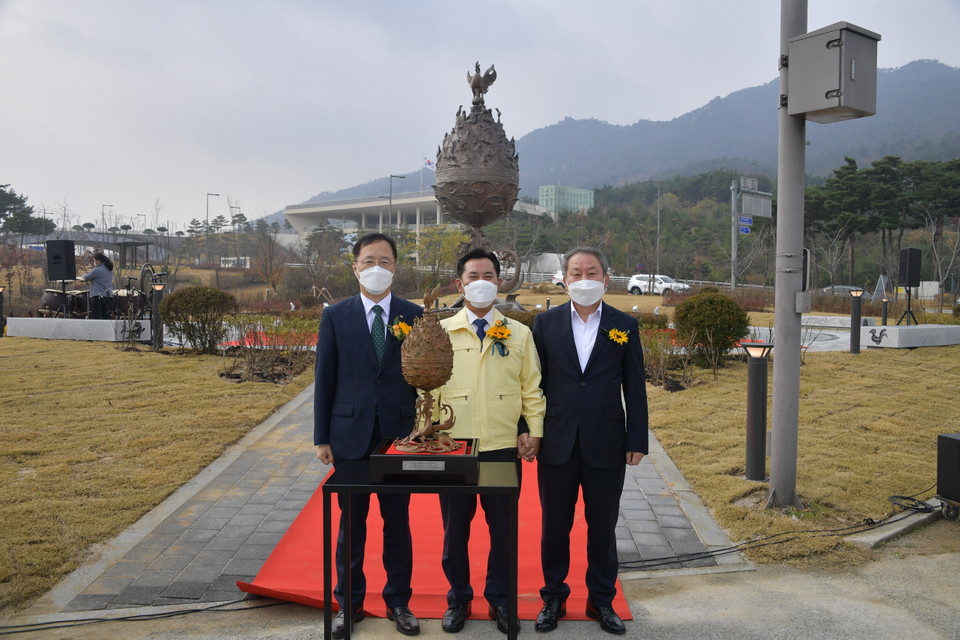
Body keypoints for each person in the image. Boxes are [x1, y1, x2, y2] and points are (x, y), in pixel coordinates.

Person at [531, 246, 649, 636]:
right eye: (576, 272)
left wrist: (637, 438)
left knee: (603, 526)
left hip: (606, 442)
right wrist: (527, 430)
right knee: (555, 525)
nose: (584, 279)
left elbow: (634, 387)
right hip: (557, 441)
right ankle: (553, 597)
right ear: (564, 279)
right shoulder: (544, 324)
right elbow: (533, 385)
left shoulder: (623, 325)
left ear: (606, 278)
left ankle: (601, 600)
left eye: (592, 272)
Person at [314, 233, 424, 638]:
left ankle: (399, 602)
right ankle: (349, 604)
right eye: (368, 260)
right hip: (350, 436)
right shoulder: (336, 316)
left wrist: (424, 431)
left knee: (397, 524)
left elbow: (423, 379)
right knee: (351, 526)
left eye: (386, 261)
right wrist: (321, 436)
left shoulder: (414, 315)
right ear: (355, 266)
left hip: (399, 435)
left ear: (396, 267)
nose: (377, 268)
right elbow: (324, 379)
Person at [434, 247, 545, 635]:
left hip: (501, 447)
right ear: (459, 284)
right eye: (472, 276)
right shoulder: (441, 332)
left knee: (503, 530)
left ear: (498, 282)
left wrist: (534, 430)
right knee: (455, 531)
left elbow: (532, 387)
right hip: (454, 449)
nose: (480, 282)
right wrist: (432, 433)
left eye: (488, 275)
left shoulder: (519, 333)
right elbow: (425, 389)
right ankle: (458, 599)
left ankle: (500, 600)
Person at [80, 252, 114, 319]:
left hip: (98, 296)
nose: (94, 262)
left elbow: (86, 277)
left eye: (94, 260)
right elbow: (100, 280)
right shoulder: (109, 269)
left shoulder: (97, 270)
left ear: (97, 260)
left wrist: (83, 275)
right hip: (108, 295)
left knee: (96, 316)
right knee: (105, 316)